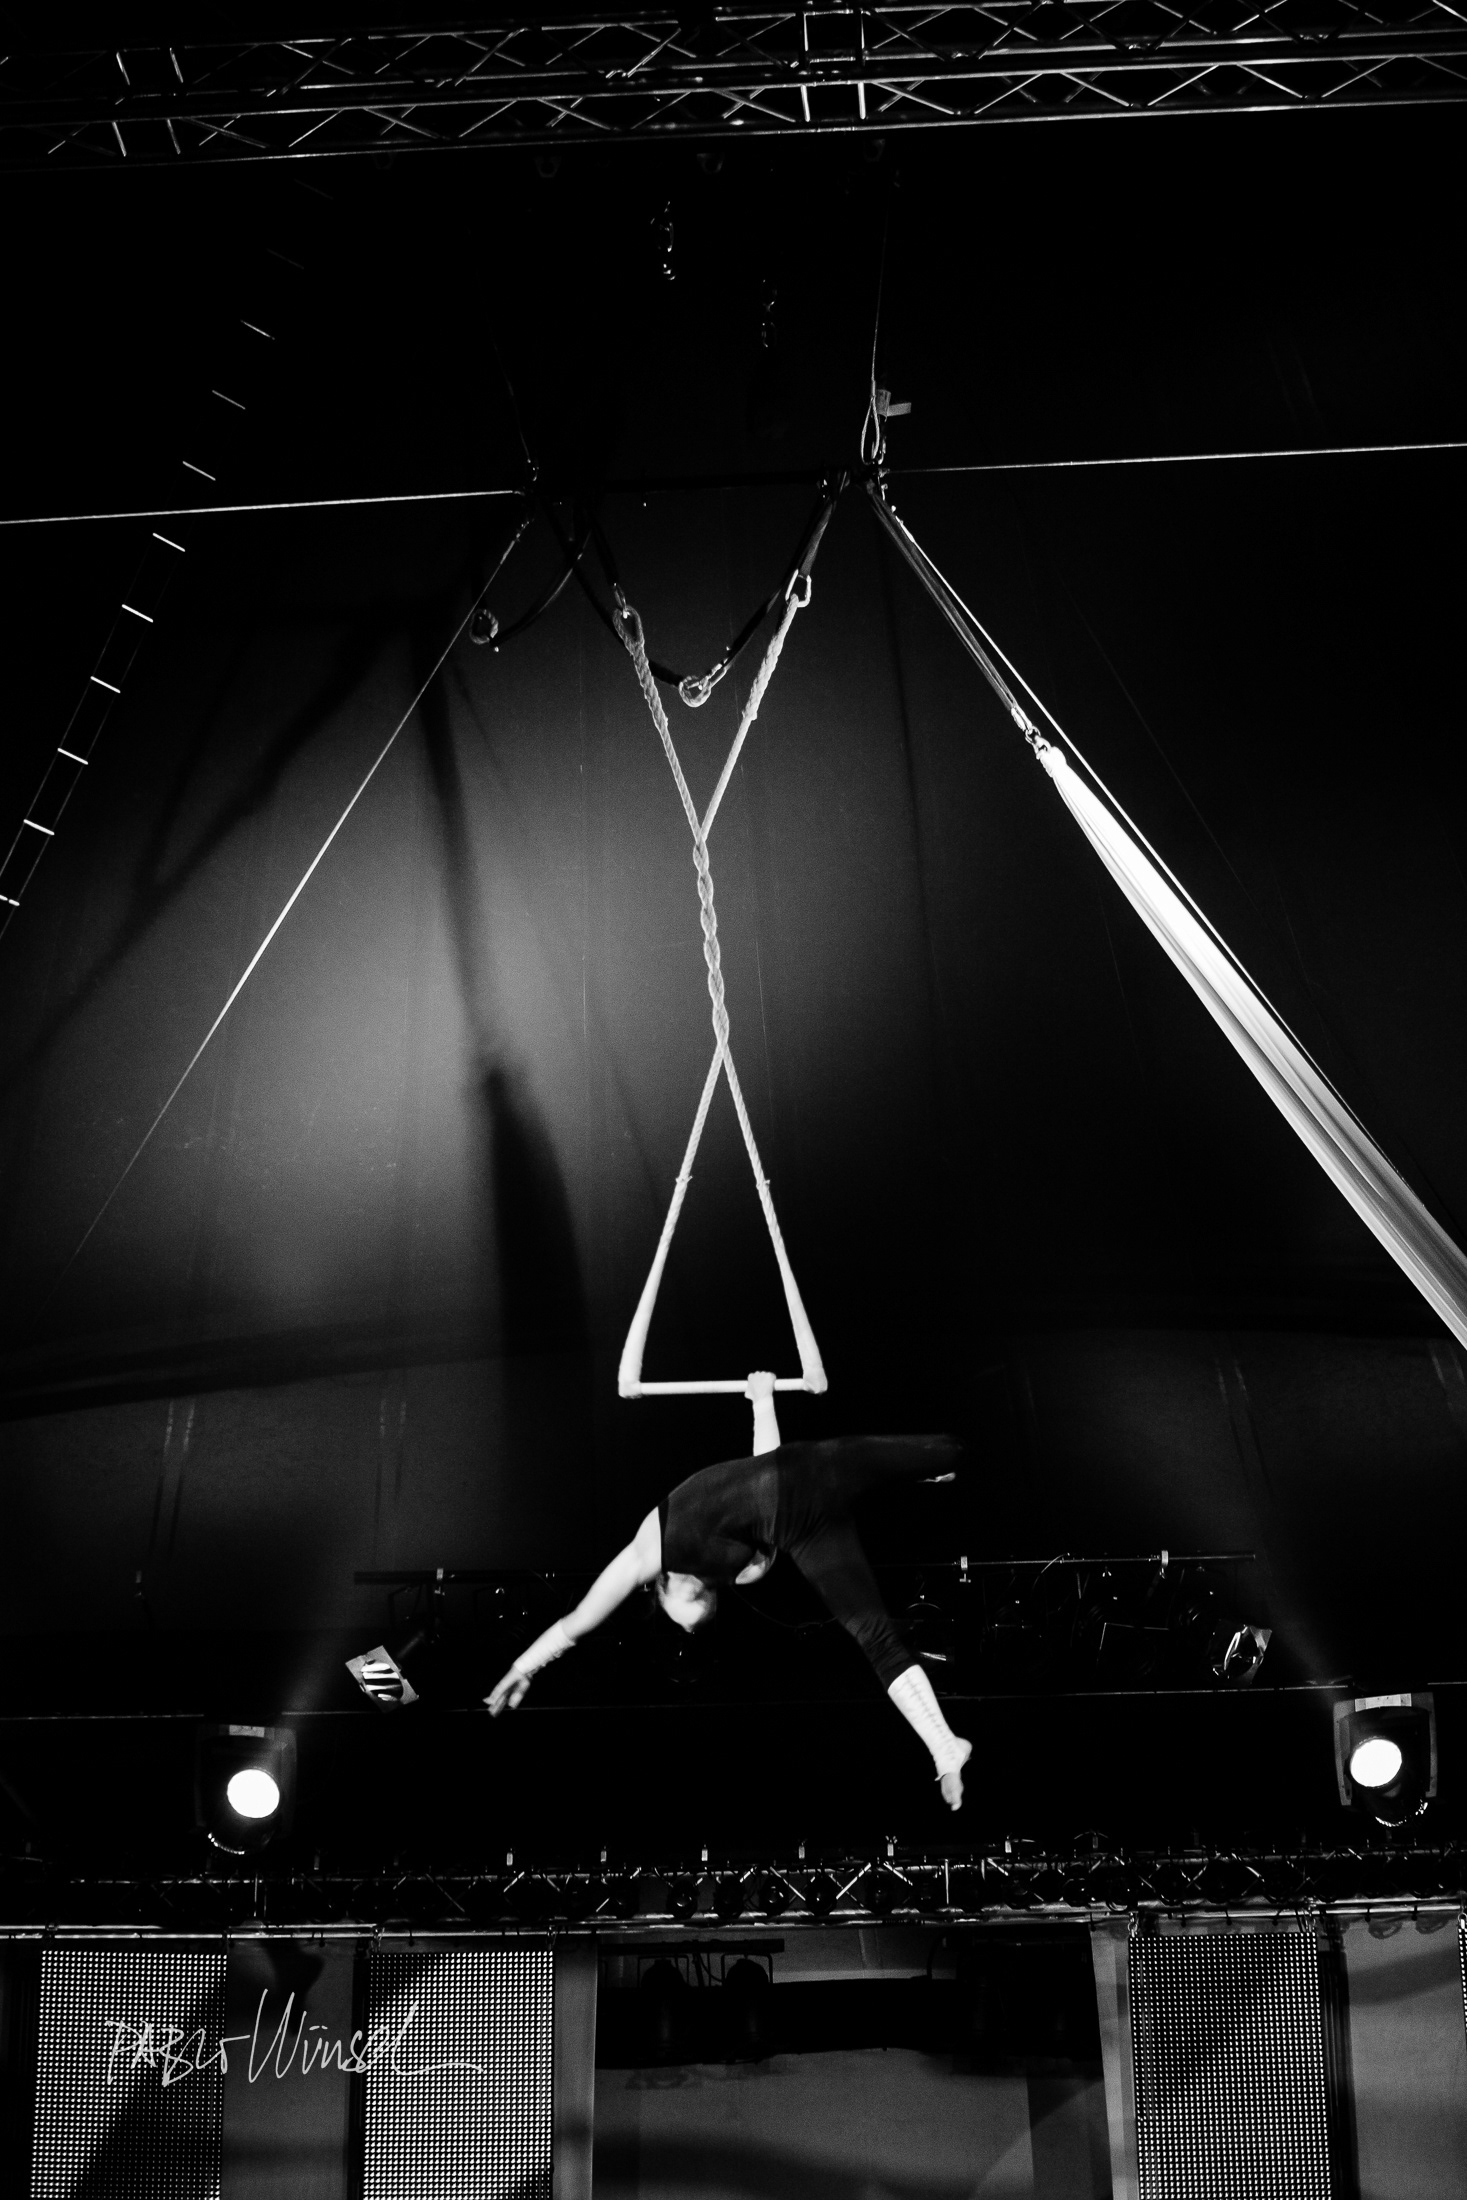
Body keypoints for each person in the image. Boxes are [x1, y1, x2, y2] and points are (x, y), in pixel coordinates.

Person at [485, 1372, 973, 1808]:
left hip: (818, 1465)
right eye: (702, 1611)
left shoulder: (649, 1550)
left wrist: (523, 1667)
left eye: (678, 1611)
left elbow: (577, 1623)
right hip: (807, 1528)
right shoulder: (744, 1573)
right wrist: (762, 1403)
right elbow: (762, 1474)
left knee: (951, 1450)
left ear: (660, 1588)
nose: (692, 1612)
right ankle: (944, 1748)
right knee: (874, 1636)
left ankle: (928, 1467)